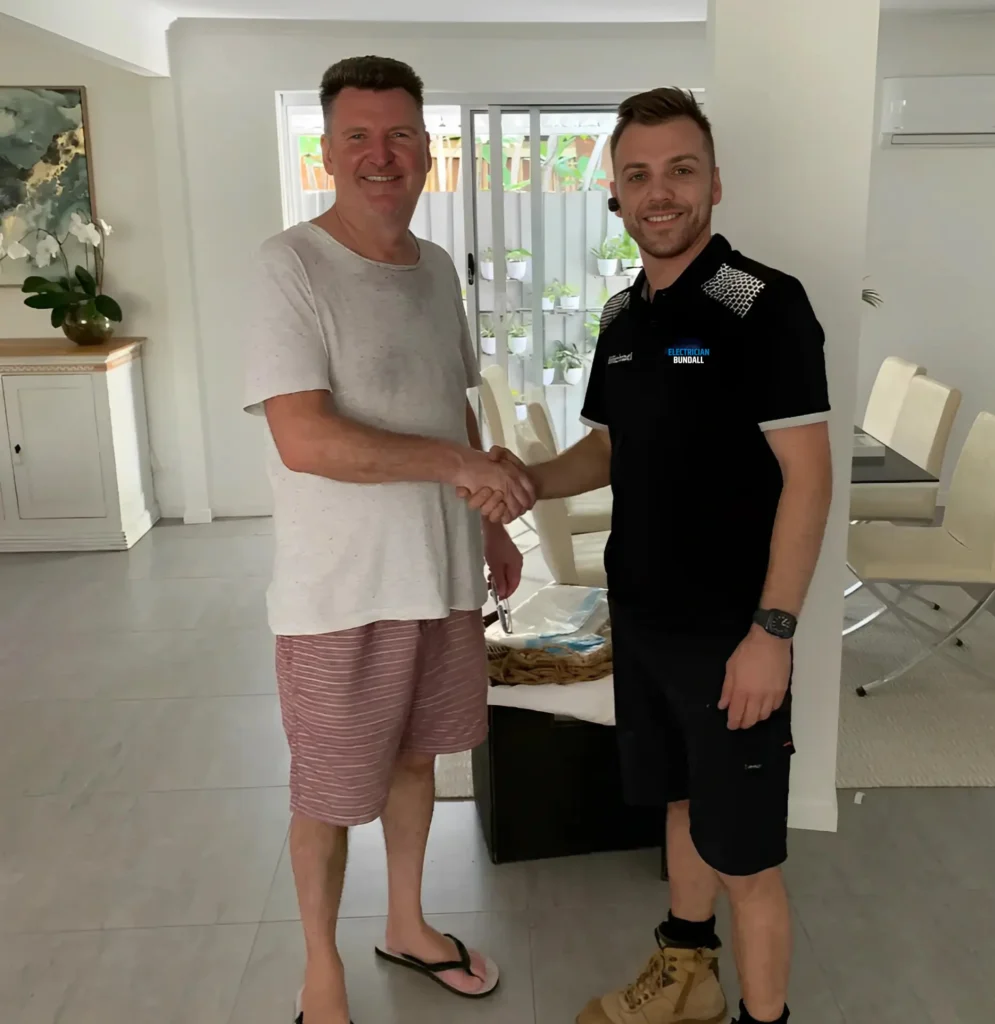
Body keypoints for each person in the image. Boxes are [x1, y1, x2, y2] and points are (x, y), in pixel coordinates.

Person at [482, 88, 833, 1024]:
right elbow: (607, 448)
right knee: (678, 803)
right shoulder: (622, 315)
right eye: (638, 175)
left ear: (715, 182)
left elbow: (809, 479)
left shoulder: (762, 304)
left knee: (747, 859)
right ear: (616, 194)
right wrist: (526, 478)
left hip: (731, 635)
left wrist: (772, 633)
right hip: (641, 621)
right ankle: (686, 977)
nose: (659, 192)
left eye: (681, 170)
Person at [243, 55, 534, 1024]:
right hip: (339, 593)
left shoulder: (437, 267)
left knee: (420, 760)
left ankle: (407, 923)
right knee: (328, 794)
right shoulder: (289, 266)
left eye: (400, 134)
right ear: (327, 152)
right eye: (358, 136)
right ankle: (319, 971)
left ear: (426, 150)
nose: (381, 155)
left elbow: (451, 403)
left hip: (439, 576)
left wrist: (484, 523)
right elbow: (305, 437)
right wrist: (458, 466)